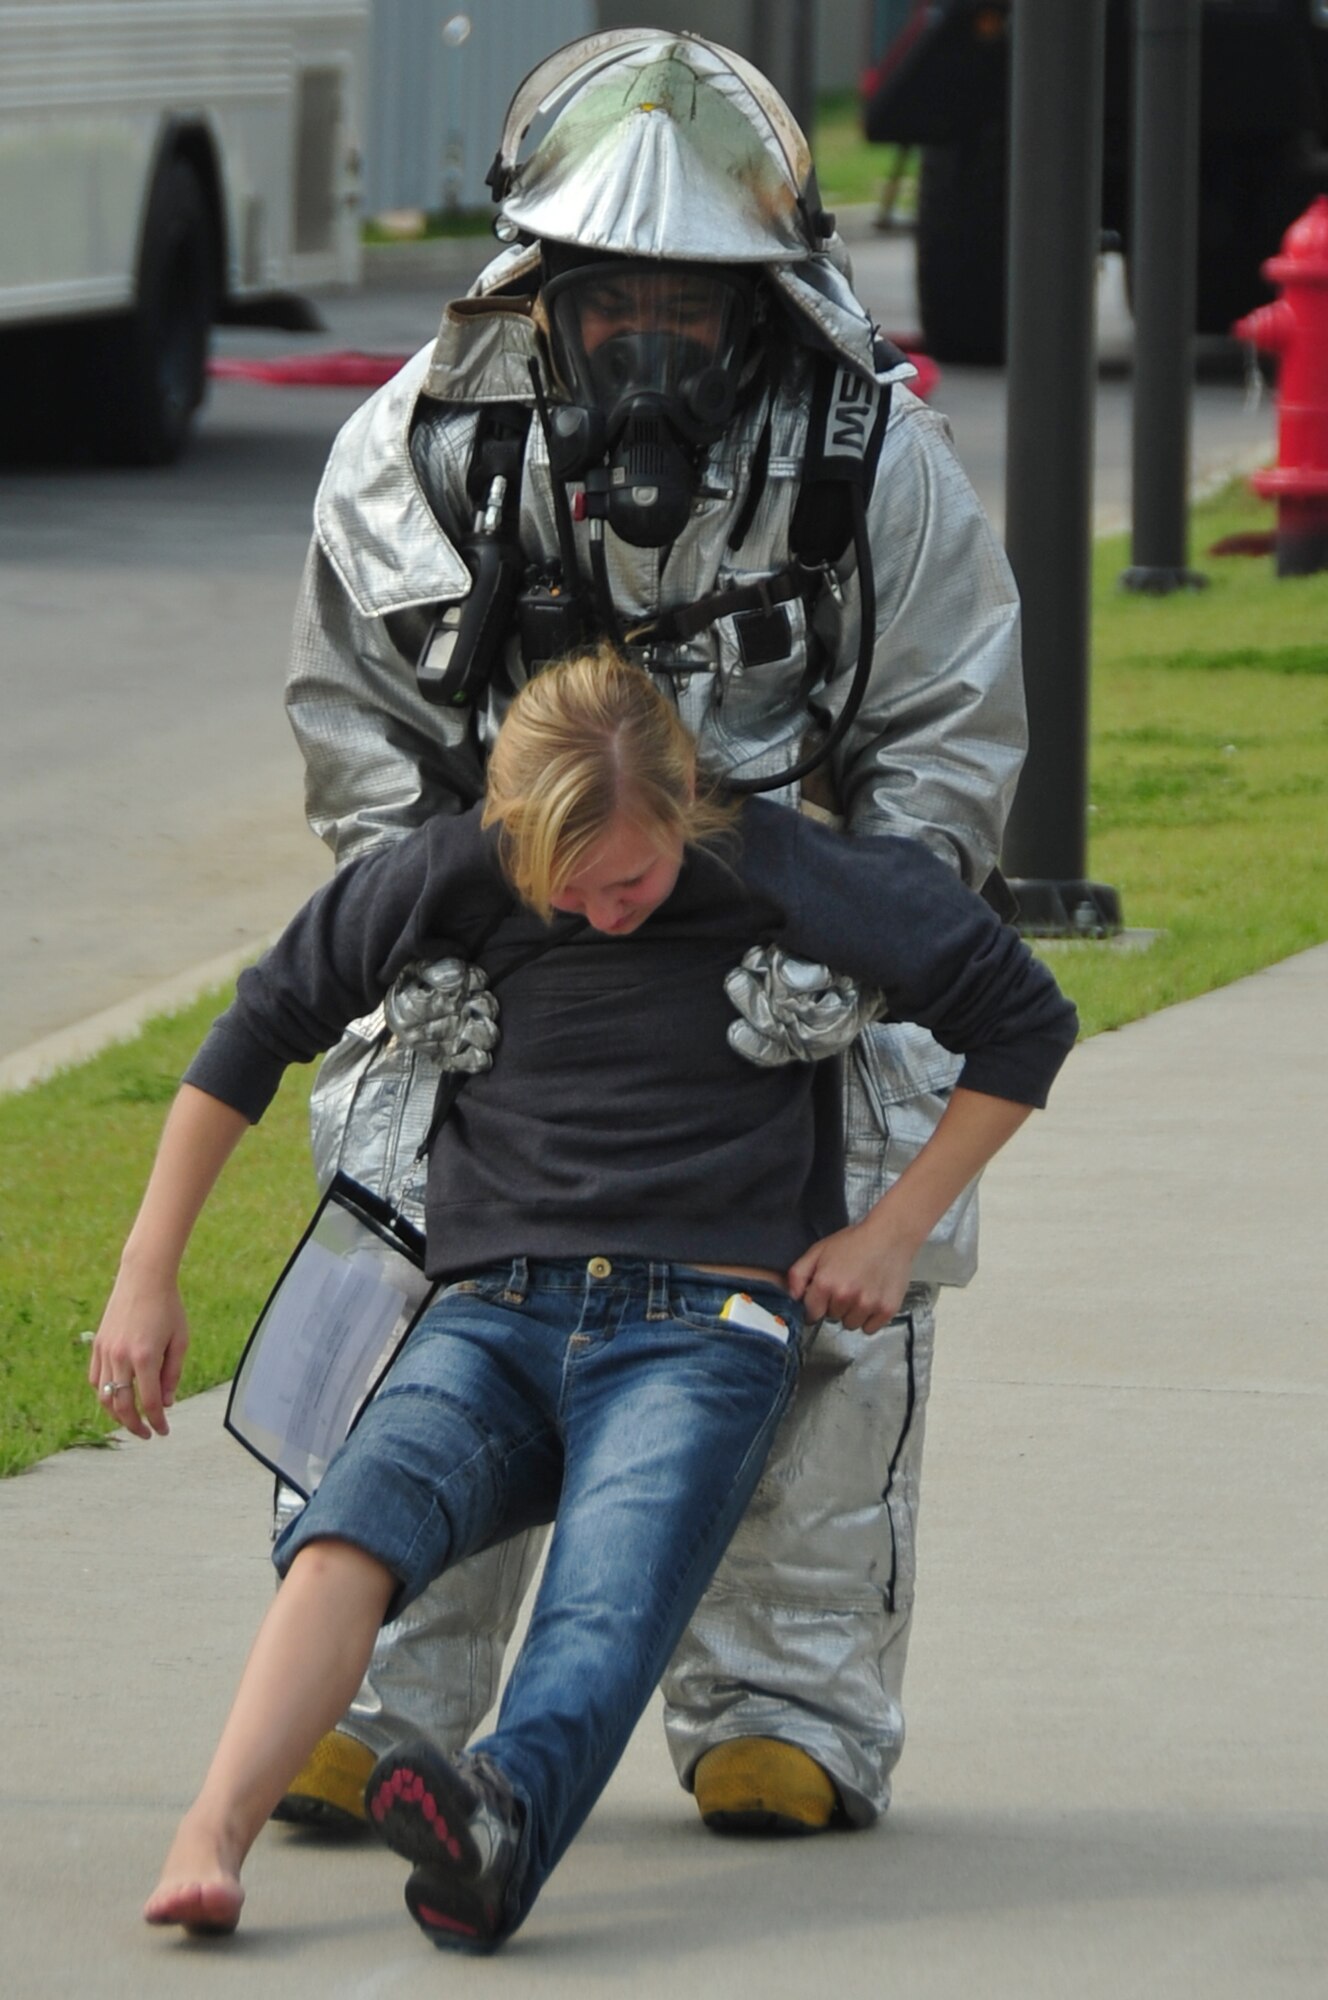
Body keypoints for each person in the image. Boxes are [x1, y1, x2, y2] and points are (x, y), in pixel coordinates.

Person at [277, 29, 1031, 1838]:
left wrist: (860, 933)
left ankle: (786, 1705)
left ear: (761, 300)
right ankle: (374, 1687)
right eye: (612, 297)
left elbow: (947, 721)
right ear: (541, 280)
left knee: (849, 1275)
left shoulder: (876, 463)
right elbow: (359, 710)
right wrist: (422, 928)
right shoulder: (421, 451)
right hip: (502, 933)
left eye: (690, 304)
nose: (647, 341)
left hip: (788, 943)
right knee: (404, 1250)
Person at [91, 651, 1075, 1950]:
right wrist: (143, 1277)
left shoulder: (776, 866)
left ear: (683, 815)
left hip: (699, 1325)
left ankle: (494, 1830)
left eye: (632, 879)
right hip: (490, 1311)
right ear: (513, 833)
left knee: (607, 1597)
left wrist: (894, 1234)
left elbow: (1023, 1017)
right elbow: (255, 1031)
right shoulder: (454, 871)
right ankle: (208, 1835)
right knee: (351, 1530)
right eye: (567, 888)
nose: (604, 910)